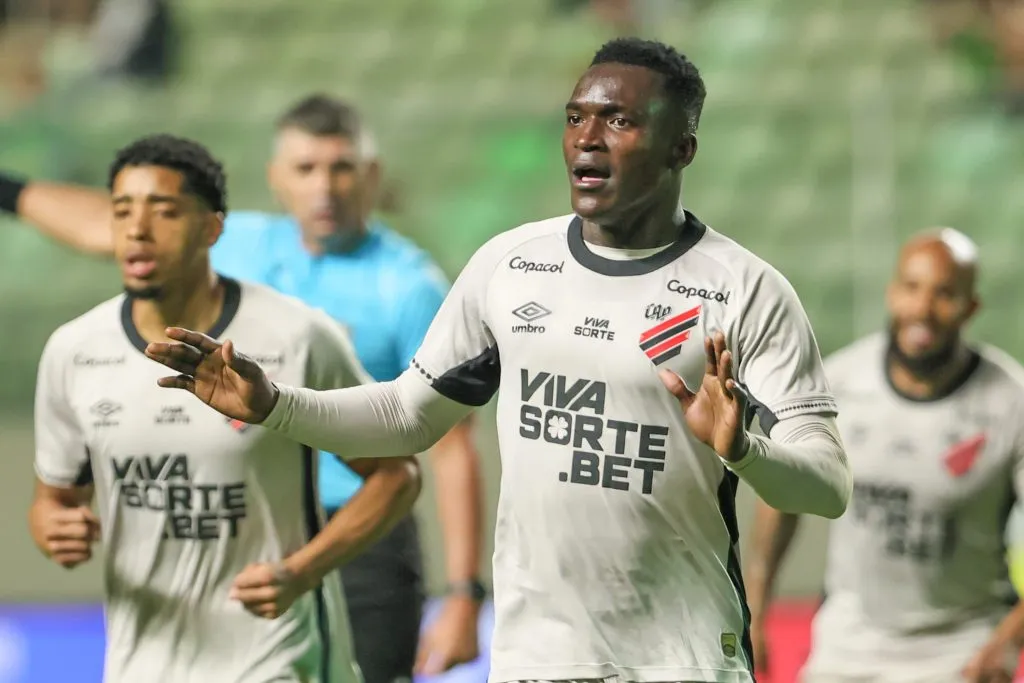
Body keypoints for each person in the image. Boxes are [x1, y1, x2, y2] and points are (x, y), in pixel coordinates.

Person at [142, 37, 852, 683]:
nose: (588, 142)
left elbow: (826, 487)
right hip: (533, 656)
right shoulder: (511, 266)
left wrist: (746, 451)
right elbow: (404, 414)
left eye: (620, 122)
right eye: (576, 119)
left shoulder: (746, 290)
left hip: (679, 656)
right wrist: (275, 403)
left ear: (681, 148)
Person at [0, 94, 484, 681]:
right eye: (305, 169)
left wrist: (462, 592)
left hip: (354, 535)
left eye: (341, 167)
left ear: (371, 175)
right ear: (276, 178)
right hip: (220, 535)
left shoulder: (403, 287)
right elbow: (102, 225)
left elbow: (446, 448)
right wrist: (8, 189)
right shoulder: (235, 245)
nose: (323, 187)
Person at [745, 229, 1024, 683]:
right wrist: (755, 608)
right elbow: (784, 495)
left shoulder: (1011, 404)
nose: (923, 310)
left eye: (945, 294)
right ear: (892, 292)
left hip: (961, 651)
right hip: (847, 647)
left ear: (971, 308)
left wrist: (1008, 641)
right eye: (911, 288)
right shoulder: (838, 383)